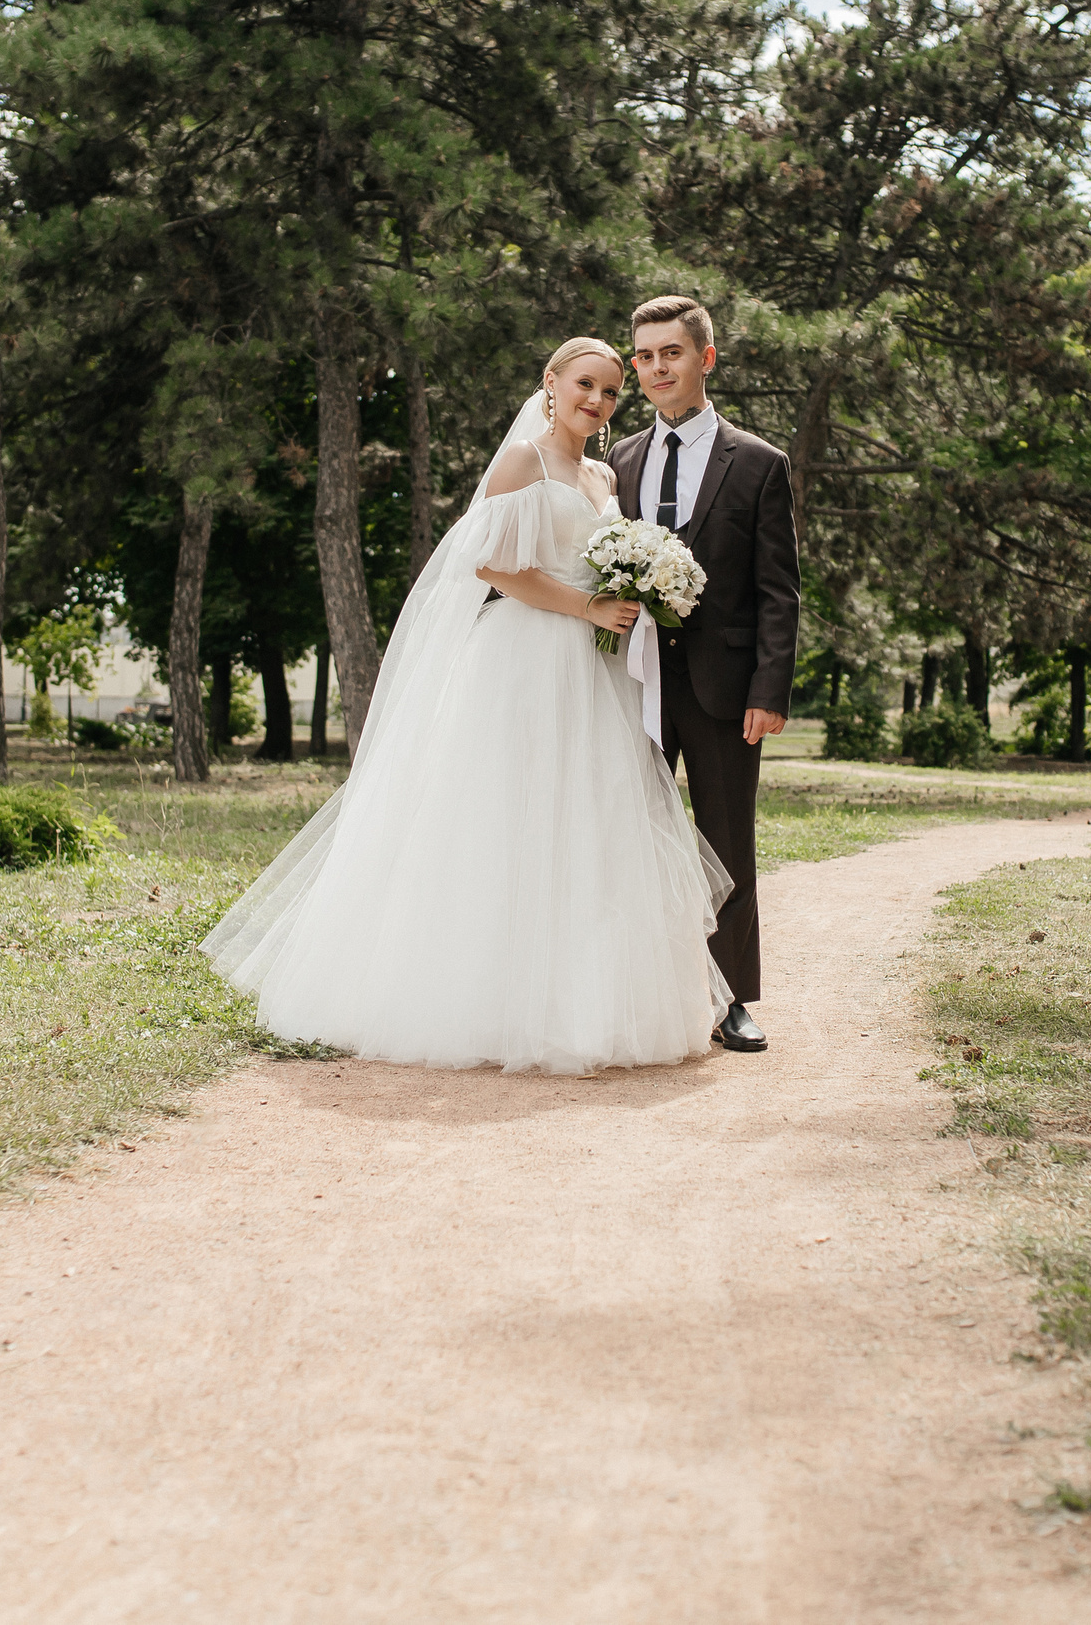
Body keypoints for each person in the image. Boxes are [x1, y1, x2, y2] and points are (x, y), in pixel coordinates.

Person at [199, 338, 731, 1075]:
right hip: (527, 658)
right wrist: (586, 604)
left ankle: (587, 1001)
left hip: (593, 670)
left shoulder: (605, 474)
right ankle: (485, 1001)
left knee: (586, 822)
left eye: (611, 392)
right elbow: (490, 565)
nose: (598, 402)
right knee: (505, 820)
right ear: (552, 383)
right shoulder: (525, 462)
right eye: (586, 384)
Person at [610, 296, 800, 1053]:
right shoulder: (619, 459)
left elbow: (778, 589)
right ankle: (633, 991)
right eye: (645, 357)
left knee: (726, 841)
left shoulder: (758, 463)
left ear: (705, 359)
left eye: (672, 353)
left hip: (724, 691)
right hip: (630, 686)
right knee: (627, 837)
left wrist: (768, 689)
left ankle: (733, 1001)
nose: (657, 368)